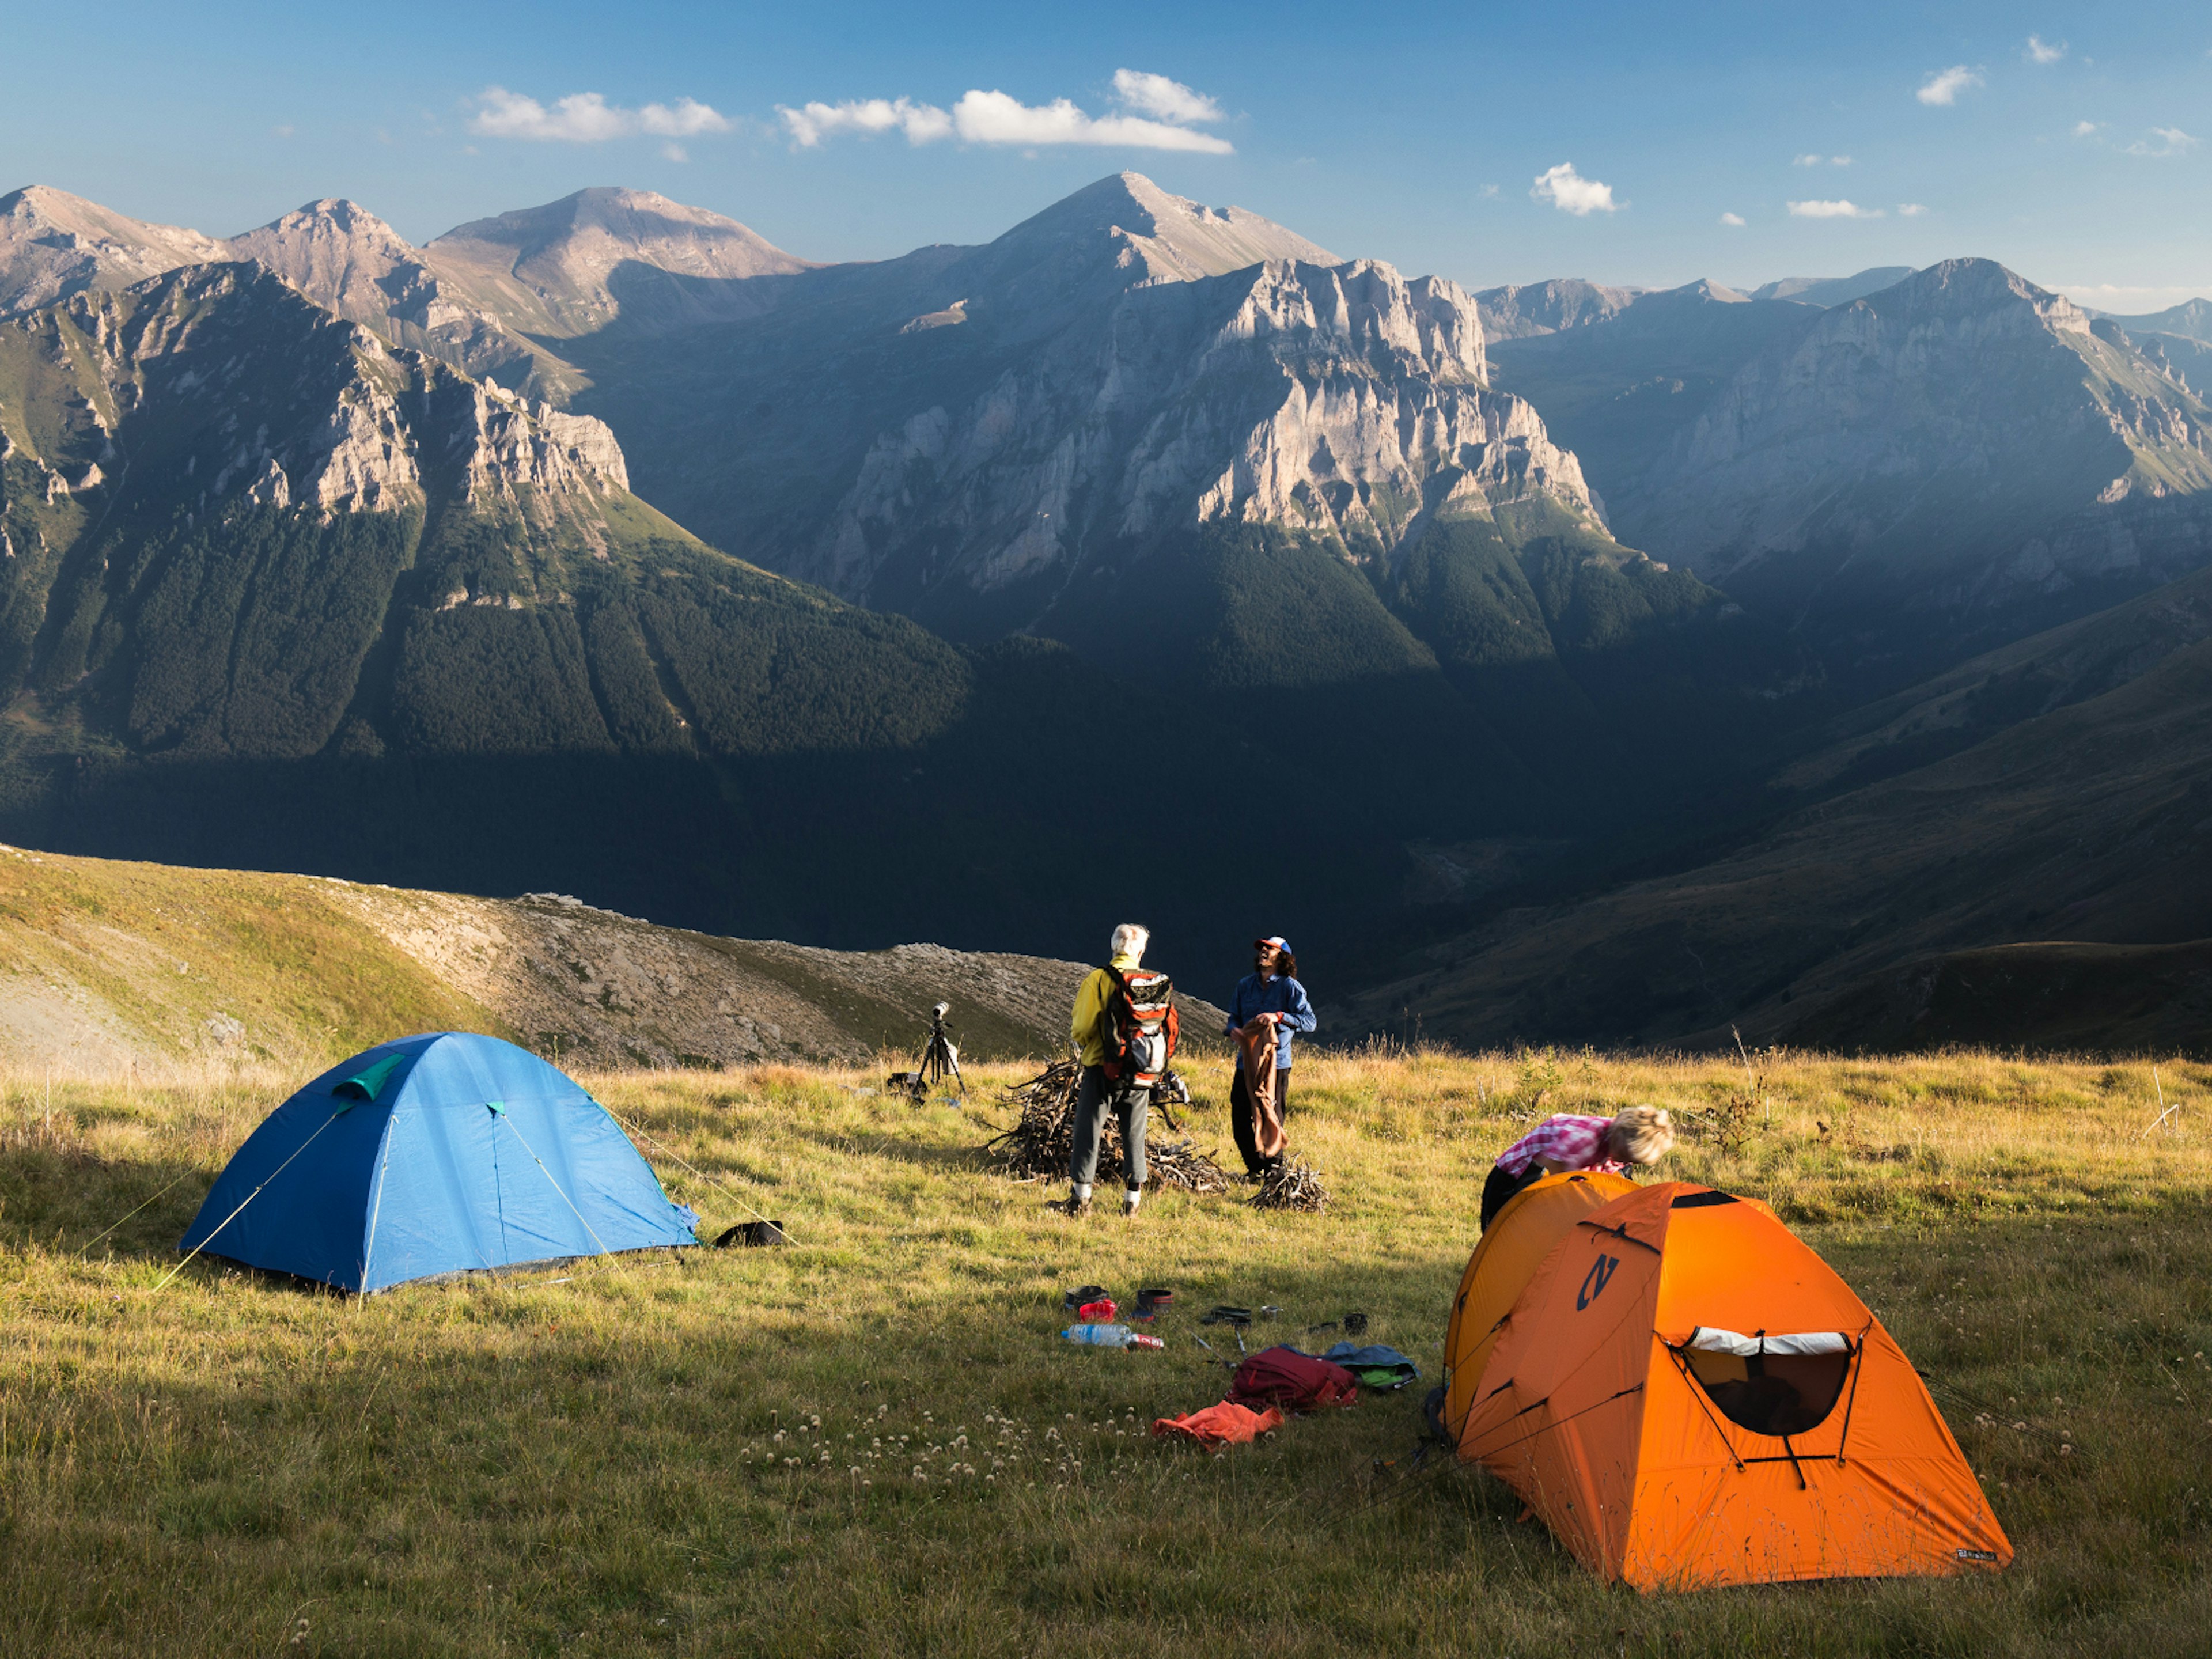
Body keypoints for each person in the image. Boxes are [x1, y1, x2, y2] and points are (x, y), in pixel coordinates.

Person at [1065, 922, 1157, 1218]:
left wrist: (1088, 1042)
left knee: (1089, 1130)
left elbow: (1081, 1028)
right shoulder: (1152, 982)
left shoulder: (1098, 979)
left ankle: (1081, 1200)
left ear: (1114, 947)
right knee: (1134, 1134)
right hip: (1143, 1071)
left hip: (1102, 1066)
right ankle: (1132, 1201)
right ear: (1140, 951)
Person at [1479, 1106, 1676, 1230]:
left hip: (1558, 1178)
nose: (1623, 1162)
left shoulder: (1622, 1140)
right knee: (1499, 1230)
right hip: (1515, 1179)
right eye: (1624, 1157)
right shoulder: (1583, 1141)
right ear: (1619, 1138)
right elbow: (1550, 1183)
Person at [1224, 935, 1316, 1176]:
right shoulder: (1245, 985)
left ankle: (1275, 1172)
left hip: (1277, 1064)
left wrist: (1279, 1016)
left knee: (1271, 1116)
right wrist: (1233, 1029)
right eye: (1262, 948)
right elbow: (1234, 1016)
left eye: (1270, 948)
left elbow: (1309, 1022)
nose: (1264, 951)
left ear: (1283, 956)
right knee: (1240, 1116)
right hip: (1247, 1063)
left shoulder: (1290, 988)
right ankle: (1256, 1168)